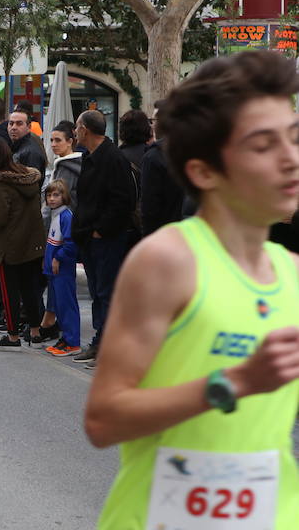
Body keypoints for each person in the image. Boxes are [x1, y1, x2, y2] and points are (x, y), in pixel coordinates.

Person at [86, 50, 299, 529]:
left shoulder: (292, 273)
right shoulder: (169, 261)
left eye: (294, 138)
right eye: (264, 145)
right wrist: (234, 383)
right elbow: (103, 420)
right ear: (205, 171)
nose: (291, 158)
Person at [71, 109, 135, 366]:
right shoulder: (90, 156)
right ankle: (100, 341)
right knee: (98, 292)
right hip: (90, 237)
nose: (74, 131)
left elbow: (123, 200)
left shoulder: (113, 158)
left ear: (85, 129)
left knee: (106, 292)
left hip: (106, 238)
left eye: (77, 127)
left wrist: (101, 230)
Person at [0, 138, 46, 349]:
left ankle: (13, 336)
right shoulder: (28, 176)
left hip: (9, 246)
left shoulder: (0, 183)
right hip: (32, 242)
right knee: (30, 288)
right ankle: (35, 331)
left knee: (9, 292)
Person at [41, 180, 80, 356]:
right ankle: (66, 339)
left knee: (67, 305)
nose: (52, 199)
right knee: (60, 305)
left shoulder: (66, 216)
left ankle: (72, 342)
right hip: (55, 270)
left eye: (56, 195)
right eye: (49, 195)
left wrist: (57, 258)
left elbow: (71, 244)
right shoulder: (56, 216)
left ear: (64, 196)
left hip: (63, 269)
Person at [140, 100, 185, 236]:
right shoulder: (191, 150)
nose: (152, 125)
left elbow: (149, 207)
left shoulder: (153, 157)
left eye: (153, 120)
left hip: (163, 234)